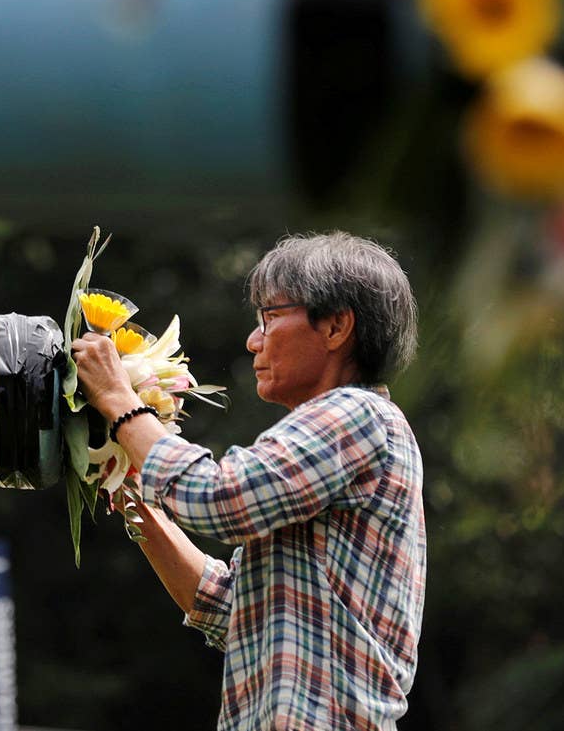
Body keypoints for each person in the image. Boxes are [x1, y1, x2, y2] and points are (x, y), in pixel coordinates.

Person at [72, 231, 425, 730]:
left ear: (336, 327)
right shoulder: (340, 432)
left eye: (270, 318)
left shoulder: (356, 415)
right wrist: (133, 494)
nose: (253, 340)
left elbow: (220, 499)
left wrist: (119, 402)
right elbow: (227, 607)